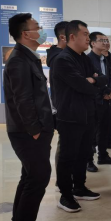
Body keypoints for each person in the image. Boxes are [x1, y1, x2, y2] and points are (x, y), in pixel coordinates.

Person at [4, 13, 54, 221]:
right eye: (37, 27)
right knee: (38, 177)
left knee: (30, 176)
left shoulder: (28, 57)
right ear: (26, 34)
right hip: (27, 132)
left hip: (34, 129)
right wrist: (34, 130)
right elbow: (22, 99)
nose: (41, 30)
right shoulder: (18, 61)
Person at [52, 20, 107, 213]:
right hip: (70, 116)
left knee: (84, 153)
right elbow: (82, 85)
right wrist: (91, 81)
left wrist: (92, 80)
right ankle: (65, 196)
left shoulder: (83, 58)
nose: (88, 38)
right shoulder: (63, 60)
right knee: (68, 157)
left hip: (87, 114)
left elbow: (102, 78)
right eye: (85, 34)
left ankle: (79, 187)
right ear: (72, 37)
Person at [87, 32, 111, 171]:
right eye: (102, 40)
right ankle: (89, 161)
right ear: (93, 43)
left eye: (106, 40)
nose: (106, 43)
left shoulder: (106, 58)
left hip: (107, 98)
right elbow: (91, 81)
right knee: (92, 131)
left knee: (105, 128)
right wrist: (105, 91)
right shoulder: (88, 60)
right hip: (95, 99)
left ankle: (103, 155)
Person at [46, 21, 67, 170]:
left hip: (71, 106)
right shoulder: (58, 58)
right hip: (63, 106)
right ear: (63, 37)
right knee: (64, 143)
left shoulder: (69, 55)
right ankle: (62, 178)